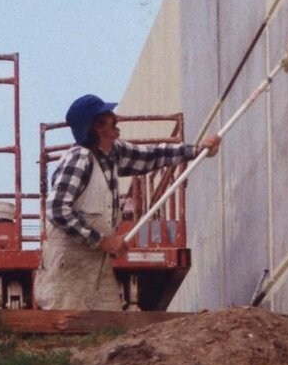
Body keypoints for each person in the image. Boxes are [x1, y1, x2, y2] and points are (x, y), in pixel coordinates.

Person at [34, 94, 219, 310]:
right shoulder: (79, 158)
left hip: (94, 260)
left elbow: (152, 156)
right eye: (109, 115)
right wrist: (102, 241)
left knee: (107, 319)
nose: (116, 117)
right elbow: (57, 209)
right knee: (67, 321)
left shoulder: (112, 153)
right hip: (70, 263)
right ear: (96, 126)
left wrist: (198, 150)